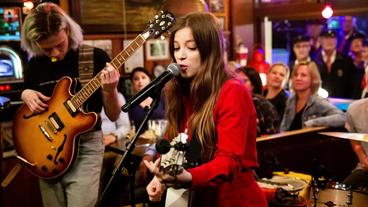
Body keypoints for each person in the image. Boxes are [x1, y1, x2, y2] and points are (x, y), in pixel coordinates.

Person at [144, 12, 268, 206]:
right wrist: (160, 177)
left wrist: (188, 178)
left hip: (233, 199)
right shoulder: (182, 91)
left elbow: (228, 161)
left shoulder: (232, 91)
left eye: (191, 47)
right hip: (198, 197)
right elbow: (174, 141)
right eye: (176, 48)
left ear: (209, 50)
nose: (181, 55)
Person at [20, 3, 121, 207]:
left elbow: (114, 115)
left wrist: (110, 91)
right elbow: (29, 112)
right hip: (46, 148)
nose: (55, 52)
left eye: (60, 44)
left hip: (85, 147)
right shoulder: (34, 66)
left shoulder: (95, 58)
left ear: (67, 30)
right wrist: (25, 93)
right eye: (47, 48)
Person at [280, 61, 345, 131]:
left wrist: (313, 123)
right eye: (296, 75)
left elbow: (342, 118)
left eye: (303, 75)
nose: (298, 78)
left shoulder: (318, 102)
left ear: (313, 79)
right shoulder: (291, 100)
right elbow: (283, 128)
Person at [236, 66, 279, 136]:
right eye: (236, 81)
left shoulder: (263, 105)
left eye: (244, 81)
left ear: (254, 84)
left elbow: (271, 135)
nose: (238, 84)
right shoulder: (231, 103)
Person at [314, 29, 356, 99]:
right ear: (320, 40)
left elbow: (352, 85)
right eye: (326, 38)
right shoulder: (314, 60)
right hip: (318, 103)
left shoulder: (346, 61)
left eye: (332, 38)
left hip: (342, 103)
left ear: (337, 41)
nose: (329, 41)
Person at [343, 98, 368, 190]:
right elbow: (356, 142)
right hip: (364, 169)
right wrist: (362, 158)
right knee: (341, 194)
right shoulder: (354, 108)